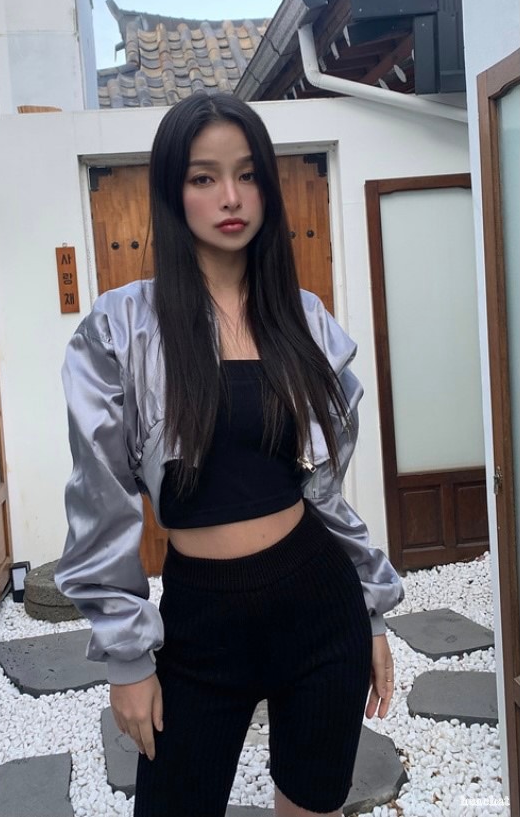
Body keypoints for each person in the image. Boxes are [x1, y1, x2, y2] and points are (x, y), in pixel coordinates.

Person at [54, 92, 404, 817]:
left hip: (319, 606)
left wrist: (371, 611)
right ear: (171, 189)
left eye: (247, 174)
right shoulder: (121, 328)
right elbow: (101, 497)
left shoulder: (303, 319)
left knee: (312, 803)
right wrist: (126, 658)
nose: (231, 197)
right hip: (200, 623)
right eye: (203, 177)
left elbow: (324, 492)